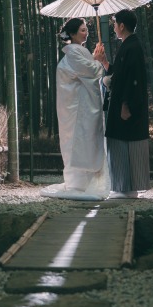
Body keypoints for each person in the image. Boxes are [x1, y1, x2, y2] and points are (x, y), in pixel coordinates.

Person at [41, 17, 110, 200]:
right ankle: (79, 183)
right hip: (78, 108)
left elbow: (89, 70)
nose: (86, 33)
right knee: (80, 141)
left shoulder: (78, 52)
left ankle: (84, 182)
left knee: (83, 141)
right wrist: (98, 60)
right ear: (72, 34)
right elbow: (91, 71)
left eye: (86, 29)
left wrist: (95, 58)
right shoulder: (73, 53)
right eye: (82, 30)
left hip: (79, 106)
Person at [93, 8, 150, 199]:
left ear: (122, 25)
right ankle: (124, 187)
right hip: (123, 103)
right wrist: (105, 62)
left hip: (126, 105)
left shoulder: (132, 47)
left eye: (115, 24)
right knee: (121, 143)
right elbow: (119, 73)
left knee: (124, 143)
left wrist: (126, 104)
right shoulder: (129, 45)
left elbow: (133, 79)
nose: (114, 28)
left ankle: (126, 188)